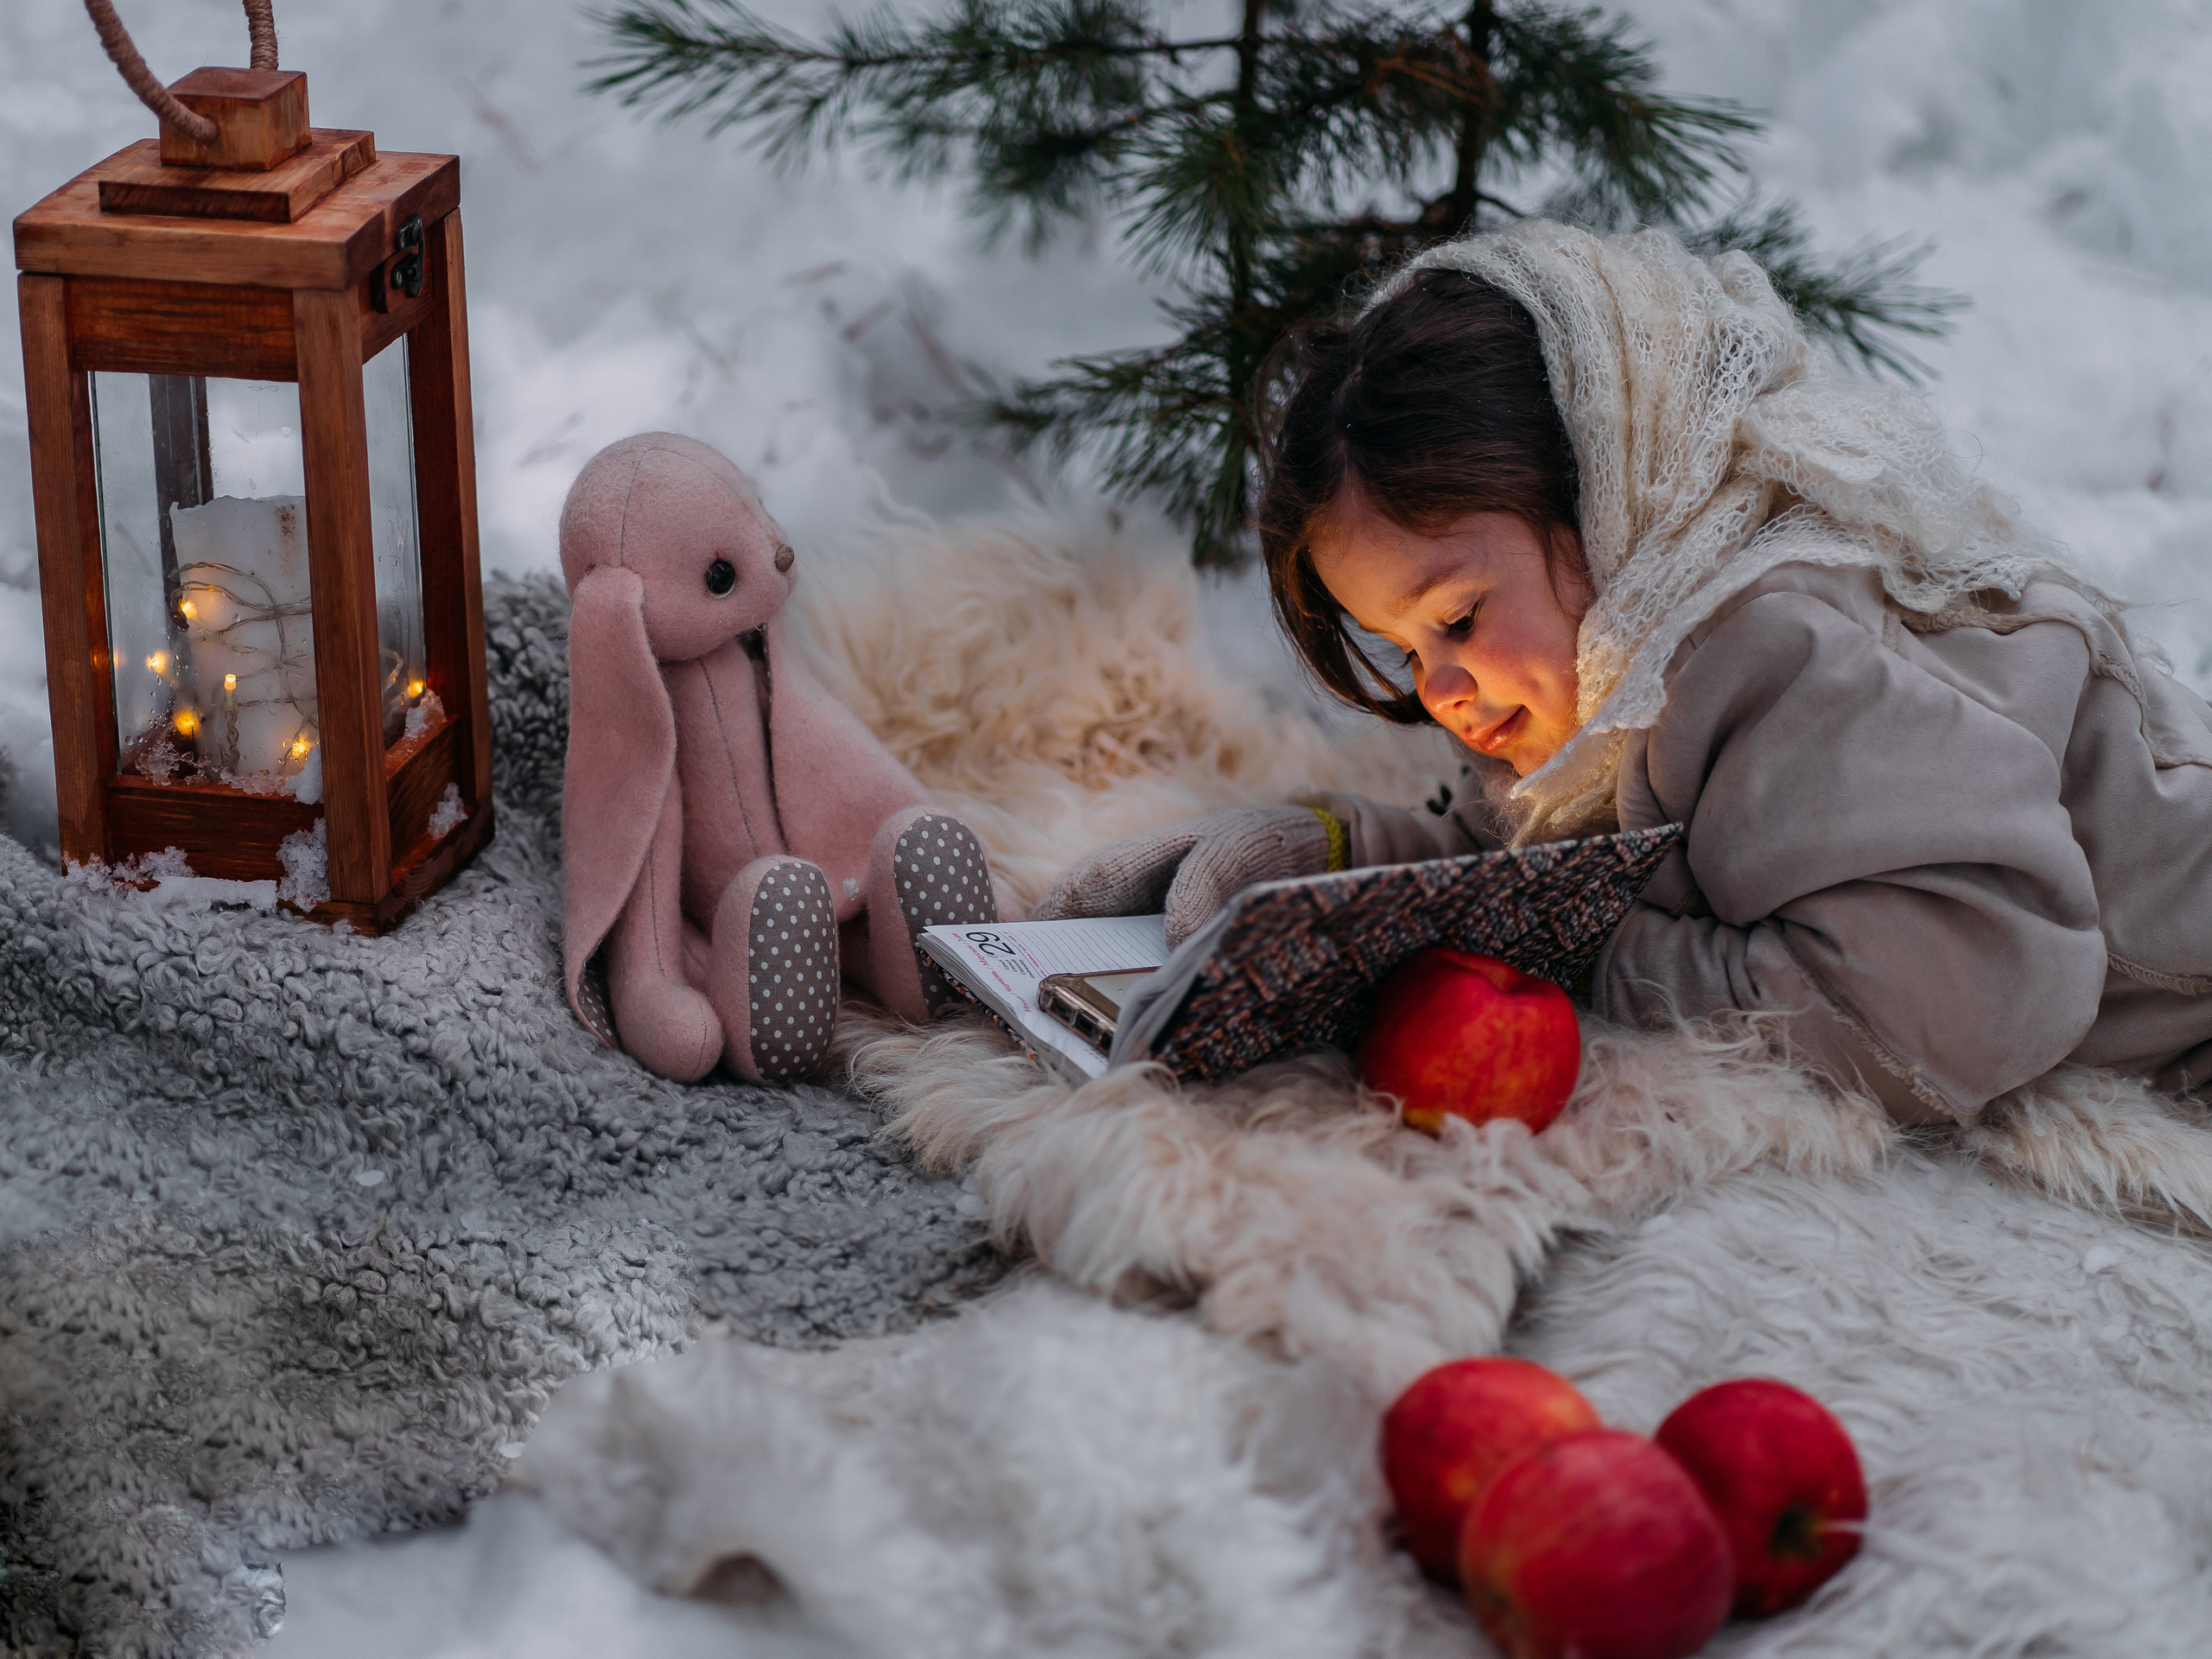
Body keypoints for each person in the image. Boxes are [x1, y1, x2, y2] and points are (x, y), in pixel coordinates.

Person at [1035, 220, 2212, 1126]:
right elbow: (1555, 862)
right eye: (1406, 649)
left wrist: (1583, 958)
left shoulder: (1777, 645)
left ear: (1604, 497)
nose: (1441, 688)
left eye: (1456, 615)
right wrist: (1307, 866)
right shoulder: (1599, 661)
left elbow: (1965, 1007)